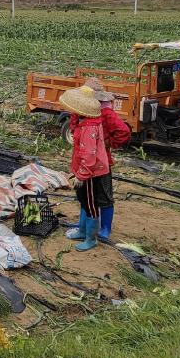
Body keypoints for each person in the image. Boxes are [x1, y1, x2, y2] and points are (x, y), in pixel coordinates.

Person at [59, 86, 111, 252]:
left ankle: (91, 238)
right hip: (84, 170)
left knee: (90, 204)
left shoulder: (89, 128)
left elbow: (89, 156)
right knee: (83, 200)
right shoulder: (84, 122)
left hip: (90, 173)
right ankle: (82, 231)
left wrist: (81, 175)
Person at [82, 77, 131, 242]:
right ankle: (85, 225)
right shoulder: (83, 111)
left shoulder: (106, 113)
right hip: (85, 161)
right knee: (86, 194)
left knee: (104, 195)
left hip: (101, 161)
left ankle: (105, 229)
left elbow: (123, 131)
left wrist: (108, 143)